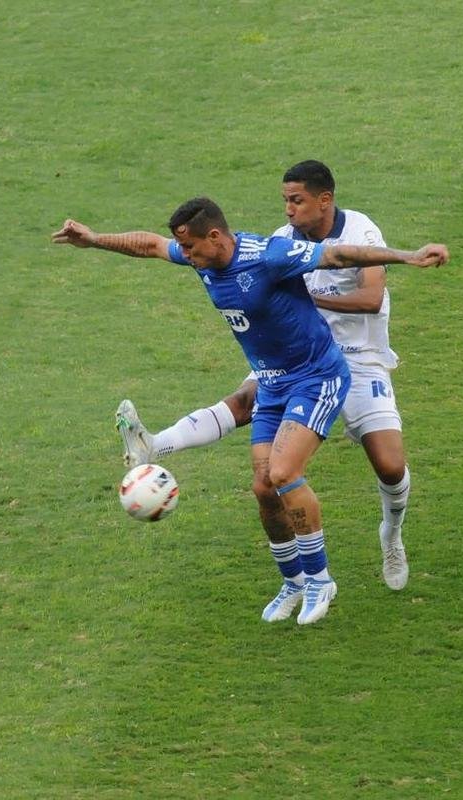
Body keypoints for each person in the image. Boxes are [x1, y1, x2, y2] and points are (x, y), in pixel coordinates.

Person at [52, 197, 449, 625]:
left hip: (316, 376)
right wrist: (94, 240)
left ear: (215, 236)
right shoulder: (201, 258)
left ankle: (320, 579)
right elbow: (149, 245)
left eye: (189, 248)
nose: (184, 256)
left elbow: (338, 254)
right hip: (273, 381)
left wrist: (408, 256)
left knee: (283, 474)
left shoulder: (269, 256)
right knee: (263, 488)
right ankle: (293, 581)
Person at [115, 161, 420, 591]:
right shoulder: (280, 241)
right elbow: (158, 248)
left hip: (358, 357)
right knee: (245, 403)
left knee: (389, 466)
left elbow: (371, 298)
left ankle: (391, 533)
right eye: (285, 201)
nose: (289, 210)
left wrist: (302, 294)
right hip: (296, 356)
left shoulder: (360, 232)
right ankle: (154, 444)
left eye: (296, 200)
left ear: (324, 200)